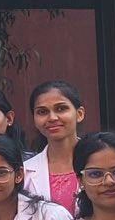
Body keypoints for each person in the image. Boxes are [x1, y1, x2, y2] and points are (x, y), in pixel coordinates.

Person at [24, 80, 88, 213]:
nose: (52, 118)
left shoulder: (102, 163)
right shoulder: (24, 172)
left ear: (79, 114)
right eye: (42, 112)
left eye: (61, 109)